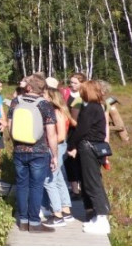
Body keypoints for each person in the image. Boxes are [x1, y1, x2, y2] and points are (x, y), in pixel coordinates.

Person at [8, 73, 59, 233]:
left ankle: (23, 221)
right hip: (39, 151)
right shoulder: (45, 104)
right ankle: (35, 223)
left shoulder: (16, 101)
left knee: (22, 185)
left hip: (19, 150)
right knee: (36, 187)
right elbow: (51, 133)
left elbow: (10, 127)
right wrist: (55, 155)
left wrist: (16, 144)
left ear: (29, 87)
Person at [67, 80, 112, 235]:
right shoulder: (96, 106)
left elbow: (81, 130)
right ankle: (97, 217)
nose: (80, 92)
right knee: (90, 182)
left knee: (92, 183)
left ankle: (101, 219)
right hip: (92, 147)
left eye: (82, 90)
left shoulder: (90, 108)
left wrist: (71, 145)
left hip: (89, 147)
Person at [41, 84, 75, 227]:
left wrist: (47, 143)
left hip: (56, 148)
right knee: (59, 179)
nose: (42, 96)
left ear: (51, 97)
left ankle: (57, 215)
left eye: (44, 95)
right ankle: (66, 210)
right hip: (57, 147)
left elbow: (60, 136)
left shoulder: (57, 112)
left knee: (49, 180)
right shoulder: (59, 111)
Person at [64, 72, 86, 197]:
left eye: (75, 83)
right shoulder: (66, 95)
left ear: (82, 83)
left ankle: (84, 187)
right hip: (69, 131)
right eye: (71, 82)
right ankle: (74, 190)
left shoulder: (84, 96)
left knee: (81, 159)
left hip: (81, 130)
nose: (72, 85)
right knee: (70, 160)